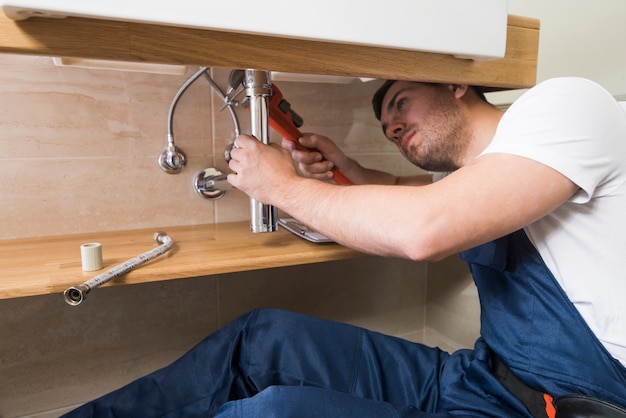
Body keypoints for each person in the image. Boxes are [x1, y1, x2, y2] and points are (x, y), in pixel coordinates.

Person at [64, 77, 626, 418]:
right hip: (482, 379)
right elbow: (409, 193)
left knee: (277, 414)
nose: (394, 129)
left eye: (402, 105)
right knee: (265, 338)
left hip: (570, 409)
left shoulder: (568, 107)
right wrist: (348, 169)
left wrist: (281, 186)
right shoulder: (480, 172)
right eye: (386, 126)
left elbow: (424, 227)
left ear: (455, 82)